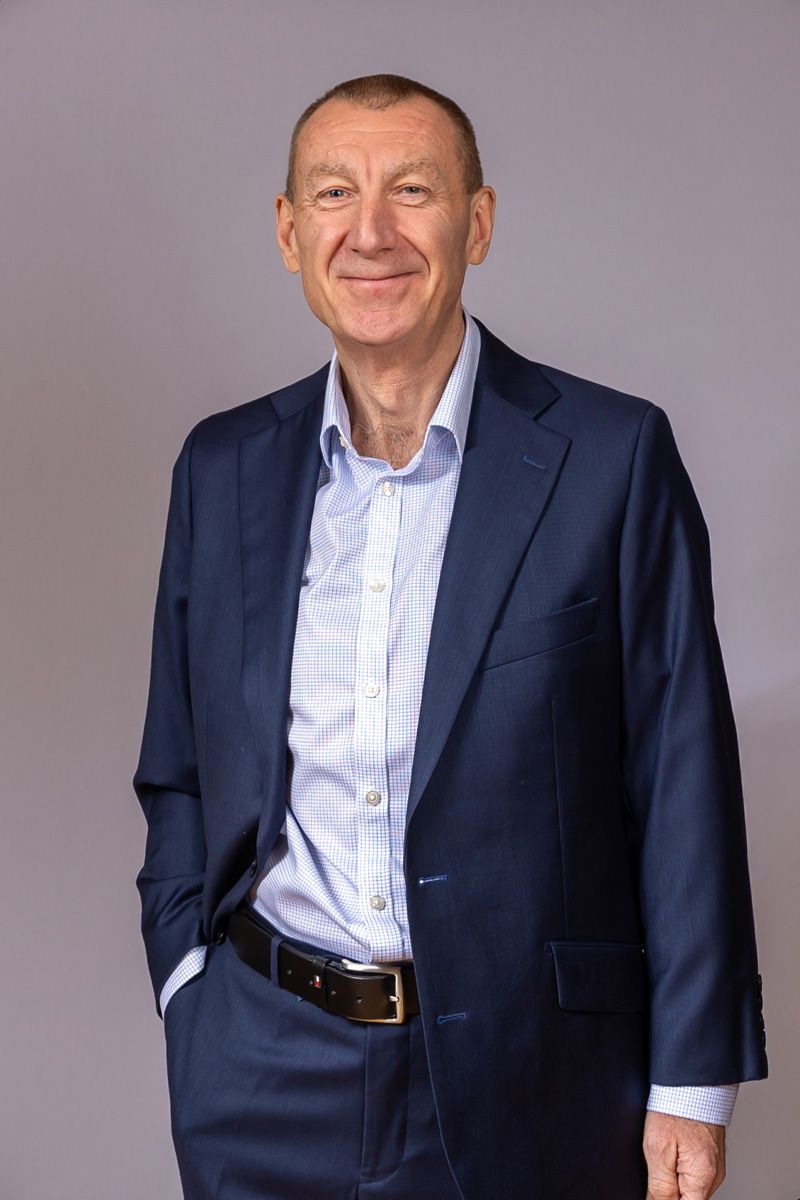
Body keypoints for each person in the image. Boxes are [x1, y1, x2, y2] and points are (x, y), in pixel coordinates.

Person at [133, 73, 767, 1200]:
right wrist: (190, 988)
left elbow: (680, 783)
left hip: (530, 1072)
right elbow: (180, 766)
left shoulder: (608, 460)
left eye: (410, 189)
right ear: (289, 233)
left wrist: (692, 1083)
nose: (368, 231)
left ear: (474, 220)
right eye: (333, 193)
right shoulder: (221, 469)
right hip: (260, 1064)